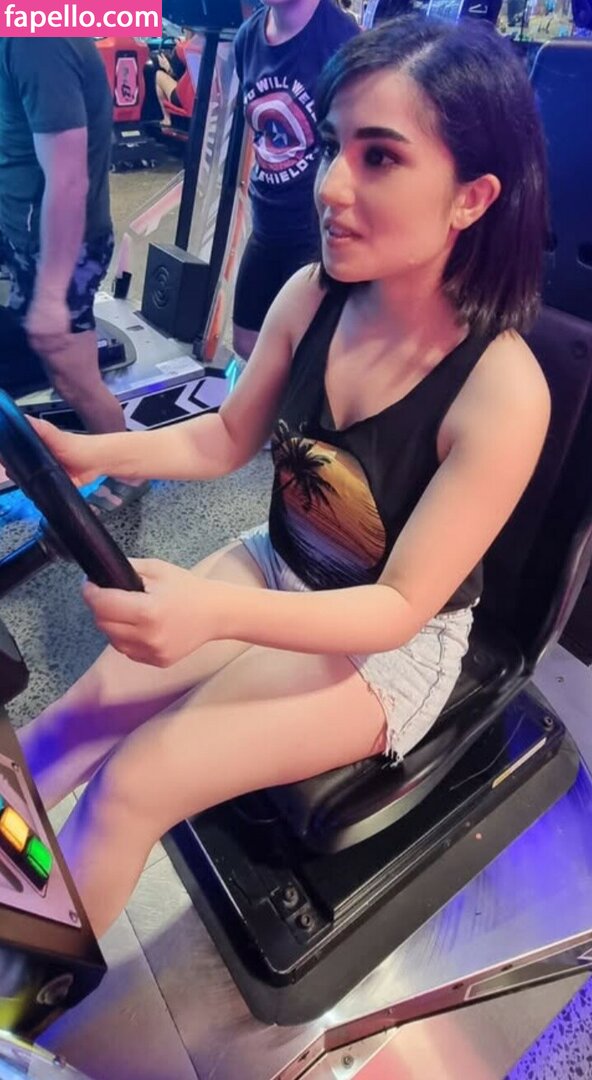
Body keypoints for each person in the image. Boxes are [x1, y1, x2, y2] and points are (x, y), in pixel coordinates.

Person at [18, 16, 550, 939]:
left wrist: (211, 613)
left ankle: (24, 999)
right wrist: (87, 452)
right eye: (334, 147)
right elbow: (224, 440)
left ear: (471, 198)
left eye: (379, 157)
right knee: (72, 721)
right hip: (281, 561)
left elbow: (395, 609)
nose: (329, 184)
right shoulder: (311, 294)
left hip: (388, 645)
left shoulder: (503, 394)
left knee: (139, 780)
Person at [0, 39, 145, 511]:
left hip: (59, 246)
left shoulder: (36, 39)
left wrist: (50, 296)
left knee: (72, 378)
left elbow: (68, 180)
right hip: (18, 226)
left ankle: (129, 469)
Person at [232, 0, 359, 361]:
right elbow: (258, 131)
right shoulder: (248, 38)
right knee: (246, 343)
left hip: (314, 234)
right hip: (265, 226)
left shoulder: (341, 41)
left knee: (298, 357)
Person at [154, 27, 198, 126]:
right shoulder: (213, 46)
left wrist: (167, 67)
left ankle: (167, 119)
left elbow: (176, 73)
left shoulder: (183, 49)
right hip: (204, 99)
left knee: (158, 75)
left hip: (184, 99)